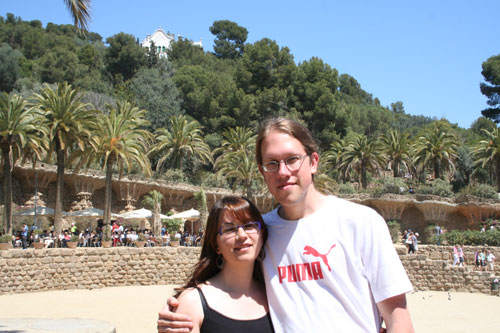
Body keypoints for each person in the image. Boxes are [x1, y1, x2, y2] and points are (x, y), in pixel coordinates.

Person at [158, 117, 414, 332]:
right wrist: (179, 313)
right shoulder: (260, 232)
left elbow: (397, 319)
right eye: (272, 163)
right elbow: (230, 285)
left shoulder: (362, 222)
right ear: (262, 171)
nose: (282, 172)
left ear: (313, 161)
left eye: (292, 159)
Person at [159, 196, 273, 333]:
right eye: (229, 229)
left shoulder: (275, 295)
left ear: (262, 234)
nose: (242, 235)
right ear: (216, 245)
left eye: (249, 226)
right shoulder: (193, 303)